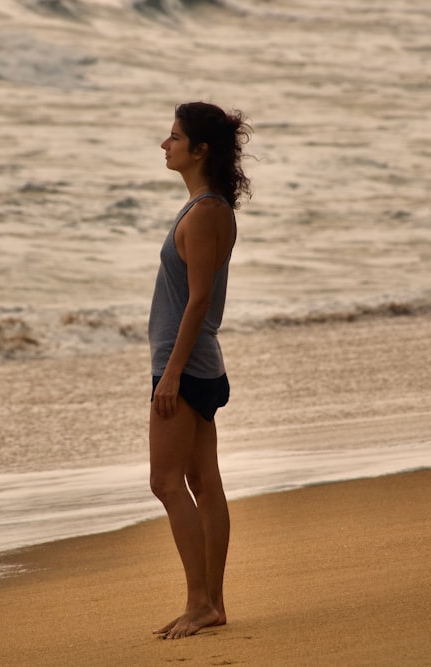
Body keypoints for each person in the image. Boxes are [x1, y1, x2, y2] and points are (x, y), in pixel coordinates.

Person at [148, 102, 252, 640]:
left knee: (166, 482)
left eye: (174, 137)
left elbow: (200, 301)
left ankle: (200, 602)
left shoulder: (207, 211)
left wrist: (170, 373)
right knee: (200, 482)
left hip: (185, 365)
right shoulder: (202, 207)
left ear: (200, 149)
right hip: (193, 363)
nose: (165, 145)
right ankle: (212, 603)